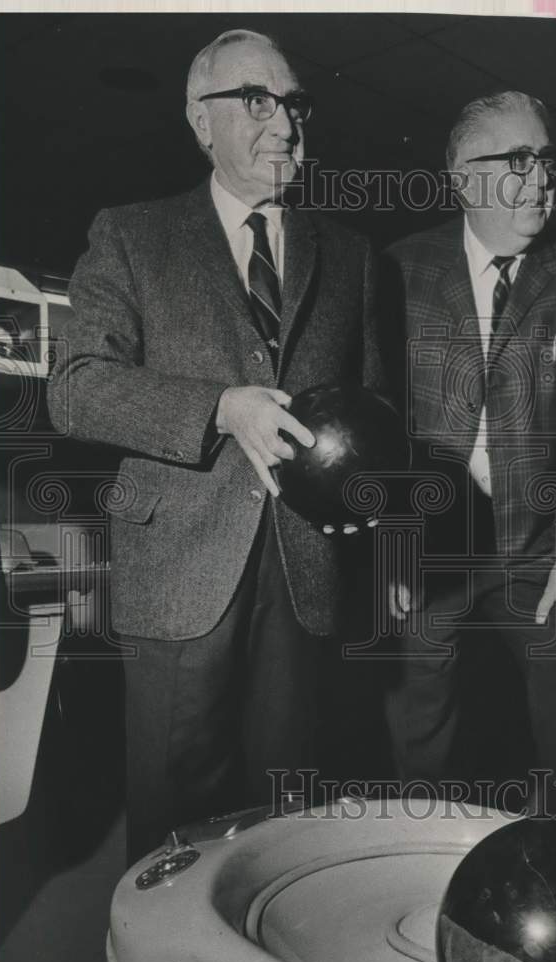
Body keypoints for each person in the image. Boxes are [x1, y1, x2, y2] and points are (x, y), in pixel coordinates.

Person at [47, 29, 384, 862]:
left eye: (295, 103)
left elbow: (375, 410)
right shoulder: (131, 236)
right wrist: (221, 408)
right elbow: (76, 386)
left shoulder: (353, 258)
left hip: (306, 571)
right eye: (257, 101)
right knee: (173, 814)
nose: (285, 124)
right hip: (180, 571)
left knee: (287, 815)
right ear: (202, 121)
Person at [383, 90, 556, 814]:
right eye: (517, 159)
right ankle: (418, 869)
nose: (541, 177)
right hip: (430, 544)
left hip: (542, 546)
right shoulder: (398, 269)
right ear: (461, 175)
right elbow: (384, 419)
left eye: (547, 158)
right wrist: (393, 542)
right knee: (415, 729)